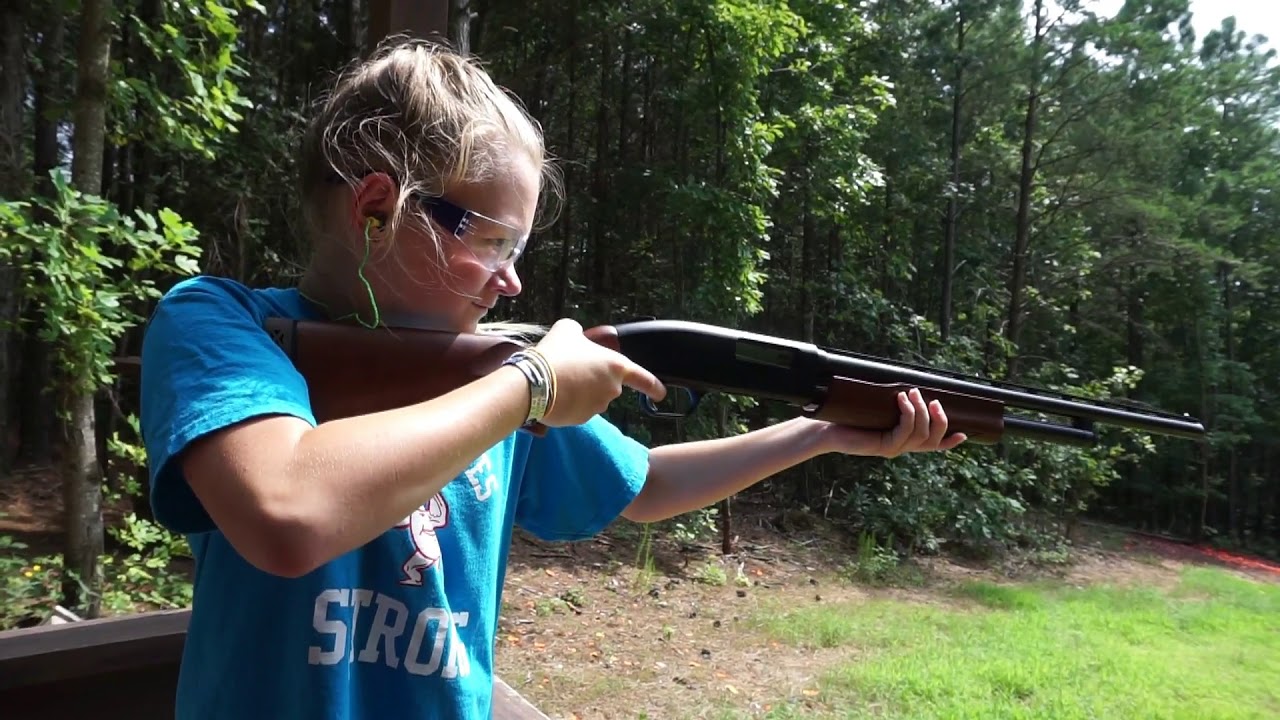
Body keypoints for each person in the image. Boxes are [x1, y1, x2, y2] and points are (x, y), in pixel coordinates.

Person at [139, 37, 966, 720]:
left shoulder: (488, 377)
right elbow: (287, 513)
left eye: (518, 251)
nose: (512, 283)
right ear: (376, 208)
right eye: (495, 241)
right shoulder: (222, 323)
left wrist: (819, 432)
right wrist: (531, 384)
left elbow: (643, 486)